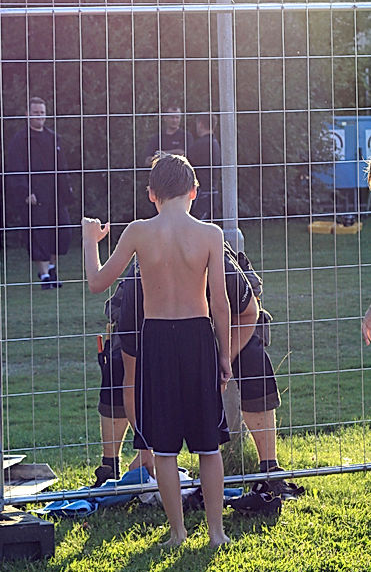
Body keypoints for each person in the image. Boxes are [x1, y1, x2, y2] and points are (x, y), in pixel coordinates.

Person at [83, 152, 232, 548]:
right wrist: (224, 354)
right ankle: (217, 533)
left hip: (157, 341)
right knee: (207, 444)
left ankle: (178, 534)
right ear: (194, 192)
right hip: (199, 337)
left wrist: (89, 241)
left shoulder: (137, 231)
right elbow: (220, 303)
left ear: (152, 195)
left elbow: (98, 282)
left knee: (163, 448)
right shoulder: (210, 234)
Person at [95, 245, 288, 493]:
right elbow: (131, 382)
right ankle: (109, 468)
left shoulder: (218, 262)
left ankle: (270, 469)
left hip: (218, 322)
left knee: (254, 360)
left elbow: (249, 314)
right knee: (116, 366)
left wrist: (223, 360)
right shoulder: (137, 289)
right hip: (156, 328)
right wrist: (146, 450)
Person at [5, 97, 74, 289]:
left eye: (42, 113)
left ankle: (52, 268)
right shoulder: (20, 140)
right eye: (35, 113)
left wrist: (66, 190)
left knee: (62, 232)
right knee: (39, 234)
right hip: (35, 197)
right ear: (27, 114)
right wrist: (26, 192)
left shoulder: (53, 138)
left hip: (55, 195)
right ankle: (44, 275)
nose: (39, 117)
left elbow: (62, 166)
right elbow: (15, 168)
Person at [188, 113, 221, 222]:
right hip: (214, 191)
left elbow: (185, 162)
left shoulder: (200, 144)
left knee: (197, 225)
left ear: (200, 124)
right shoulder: (215, 143)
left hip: (202, 193)